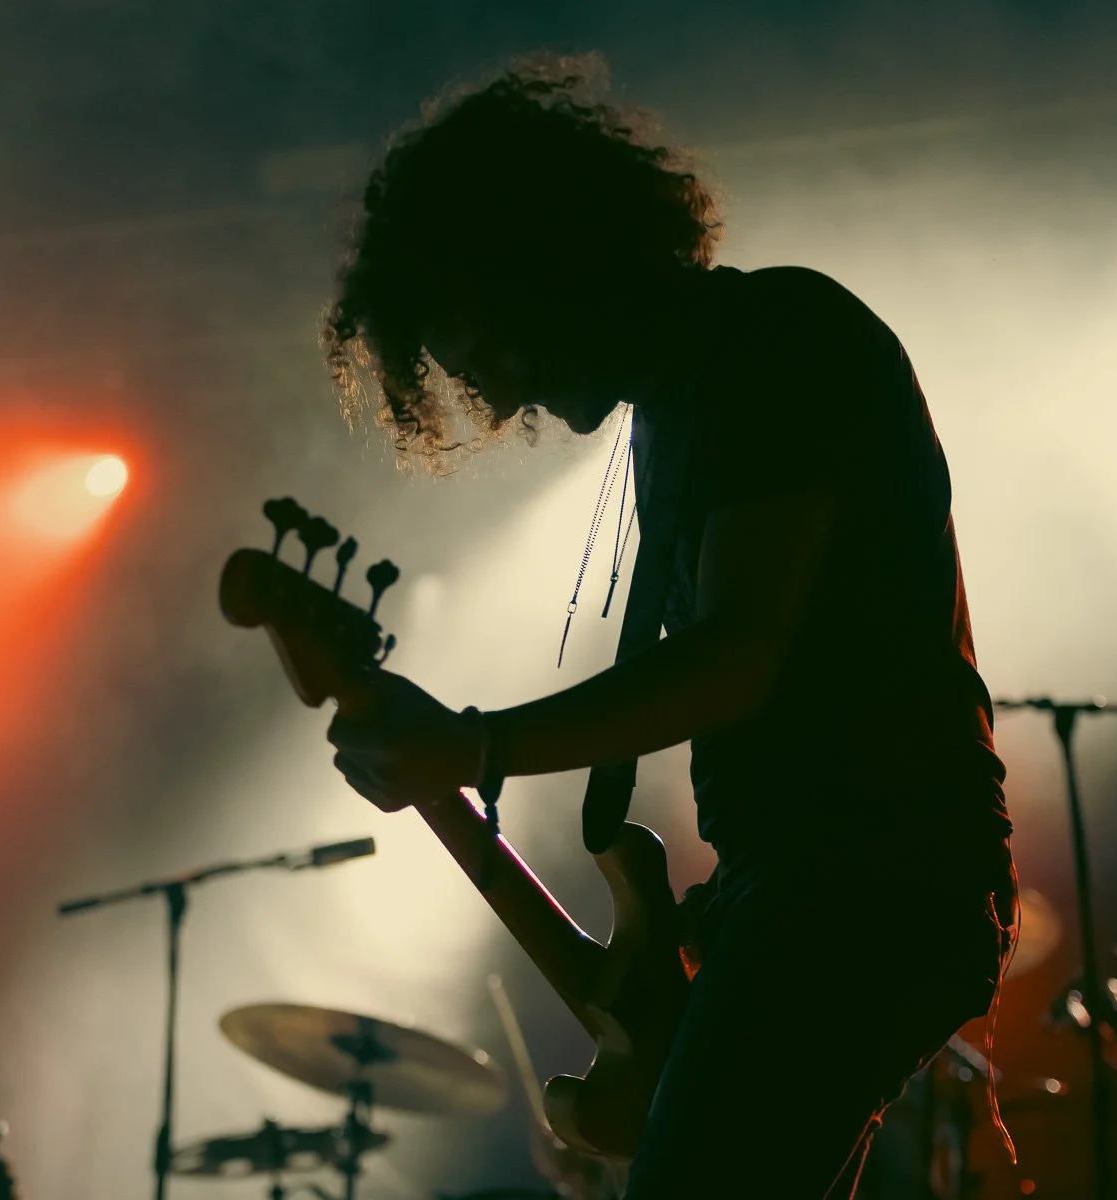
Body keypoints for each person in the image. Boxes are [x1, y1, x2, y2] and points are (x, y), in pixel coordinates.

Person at [319, 56, 1017, 1199]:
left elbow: (736, 659)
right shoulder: (675, 411)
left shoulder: (776, 339)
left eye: (486, 345)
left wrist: (477, 749)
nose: (499, 394)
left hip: (871, 876)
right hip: (800, 878)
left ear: (544, 262)